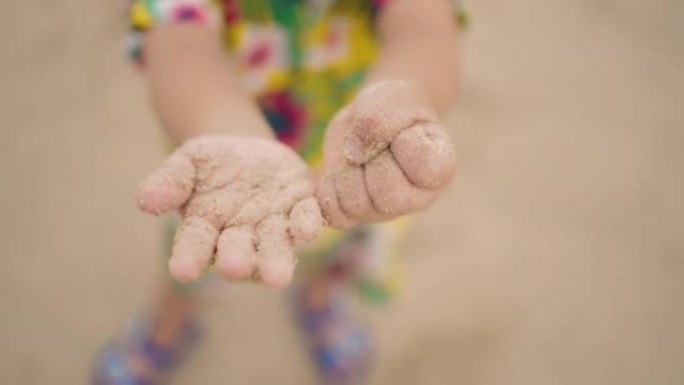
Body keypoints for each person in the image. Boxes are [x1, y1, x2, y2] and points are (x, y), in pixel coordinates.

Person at [94, 0, 463, 383]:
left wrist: (400, 95)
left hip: (350, 160)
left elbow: (426, 25)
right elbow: (179, 39)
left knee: (337, 240)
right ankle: (165, 331)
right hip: (222, 164)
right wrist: (228, 130)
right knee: (199, 257)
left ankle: (319, 304)